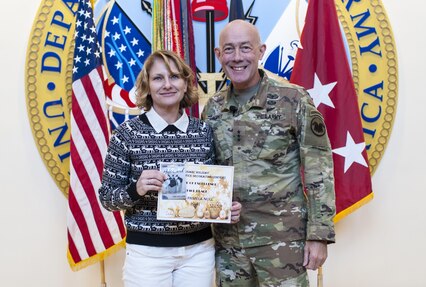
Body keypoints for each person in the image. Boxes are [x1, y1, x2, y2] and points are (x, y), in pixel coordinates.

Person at [201, 20, 336, 287]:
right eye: (229, 49)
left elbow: (319, 169)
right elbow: (208, 173)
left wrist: (319, 235)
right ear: (219, 55)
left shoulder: (293, 99)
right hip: (229, 248)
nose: (237, 57)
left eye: (245, 48)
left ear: (261, 51)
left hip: (281, 242)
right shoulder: (213, 109)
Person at [99, 50, 241, 287]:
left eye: (174, 77)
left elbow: (210, 192)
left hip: (199, 251)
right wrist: (137, 189)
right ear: (146, 85)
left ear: (185, 84)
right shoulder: (126, 134)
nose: (167, 85)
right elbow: (107, 198)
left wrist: (225, 208)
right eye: (158, 78)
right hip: (147, 255)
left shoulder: (203, 132)